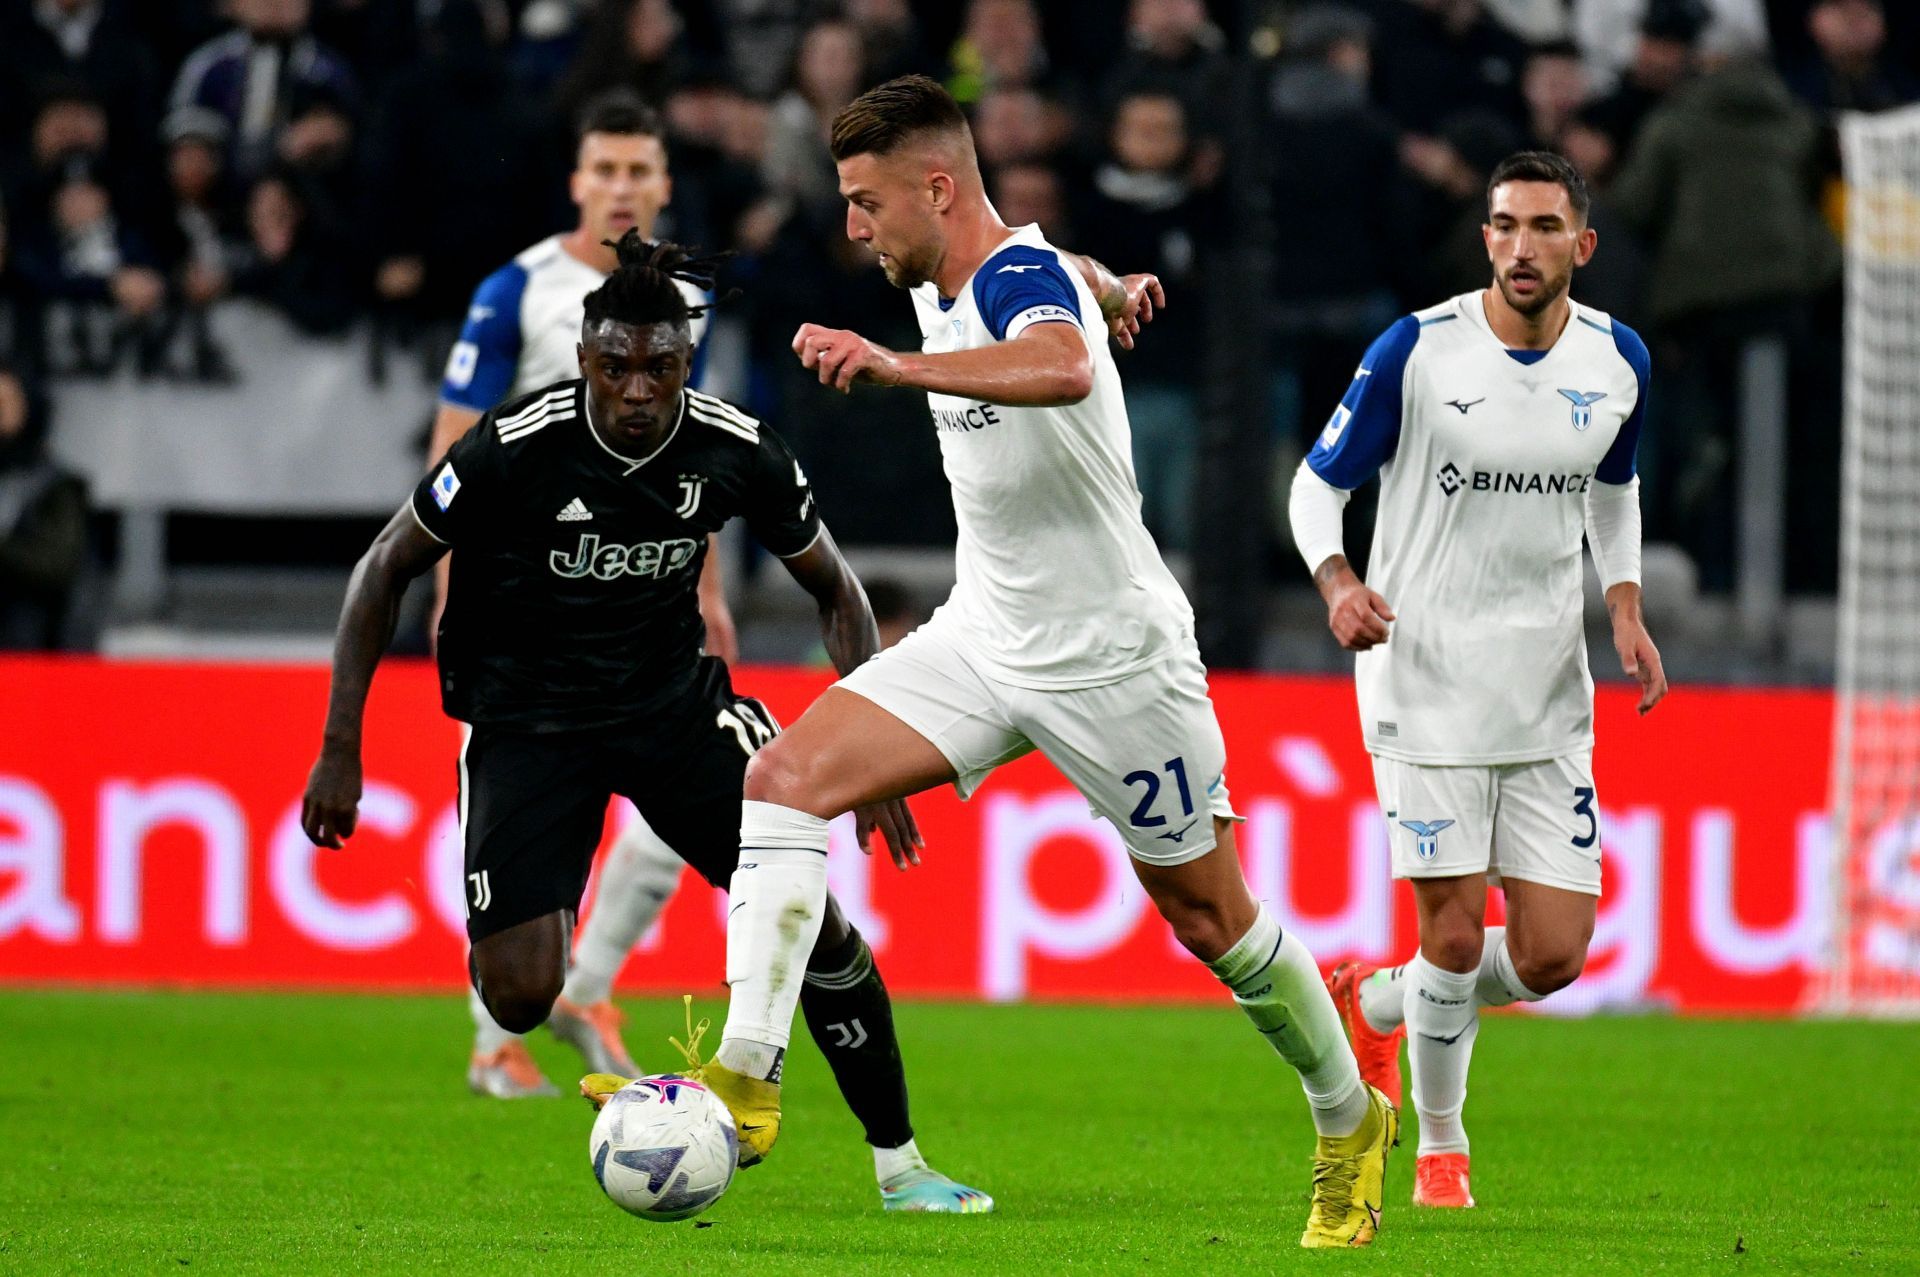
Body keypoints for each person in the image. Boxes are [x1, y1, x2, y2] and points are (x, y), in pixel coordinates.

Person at [649, 74, 1396, 1249]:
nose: (853, 225)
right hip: (987, 633)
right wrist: (1114, 284)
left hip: (1116, 662)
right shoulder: (990, 270)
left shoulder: (1009, 281)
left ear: (937, 189)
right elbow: (1066, 288)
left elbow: (1060, 362)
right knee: (782, 783)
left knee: (1215, 921)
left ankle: (1348, 1116)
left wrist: (895, 366)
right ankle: (748, 1077)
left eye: (866, 201)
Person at [302, 236, 992, 1214]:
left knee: (818, 928)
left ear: (684, 363)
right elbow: (384, 566)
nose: (637, 388)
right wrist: (340, 745)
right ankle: (600, 1017)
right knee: (517, 995)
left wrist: (874, 754)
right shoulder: (515, 445)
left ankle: (903, 1162)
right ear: (585, 359)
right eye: (616, 366)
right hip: (527, 719)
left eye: (659, 367)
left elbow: (837, 589)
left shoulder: (735, 447)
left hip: (676, 708)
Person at [1286, 151, 1668, 1210]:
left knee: (1553, 955)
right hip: (1424, 679)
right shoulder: (1418, 349)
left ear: (1580, 246)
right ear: (1485, 238)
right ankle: (1440, 1149)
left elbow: (1613, 489)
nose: (1521, 246)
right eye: (1504, 226)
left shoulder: (1619, 358)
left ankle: (1372, 998)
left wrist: (1624, 604)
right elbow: (1317, 484)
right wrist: (1337, 581)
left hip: (1548, 691)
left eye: (1545, 227)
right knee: (1452, 933)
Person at [426, 91, 744, 1100]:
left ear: (662, 184)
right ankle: (496, 1038)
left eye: (638, 172)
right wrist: (450, 594)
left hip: (648, 605)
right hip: (525, 618)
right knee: (519, 829)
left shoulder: (682, 298)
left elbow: (695, 460)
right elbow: (450, 448)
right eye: (603, 169)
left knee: (662, 821)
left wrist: (711, 588)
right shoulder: (513, 290)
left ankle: (587, 987)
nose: (620, 188)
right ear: (577, 181)